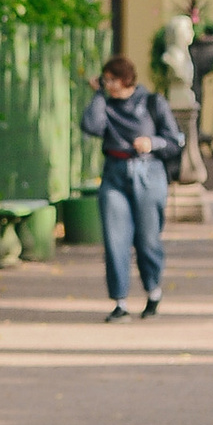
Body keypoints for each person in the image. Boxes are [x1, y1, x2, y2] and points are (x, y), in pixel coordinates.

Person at [83, 52, 185, 321]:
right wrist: (97, 96)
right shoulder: (105, 104)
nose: (107, 85)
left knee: (147, 239)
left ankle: (153, 291)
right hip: (114, 173)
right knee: (115, 239)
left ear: (125, 80)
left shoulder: (152, 102)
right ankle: (120, 302)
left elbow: (175, 140)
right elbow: (90, 126)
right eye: (104, 80)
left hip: (148, 172)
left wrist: (153, 143)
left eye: (111, 80)